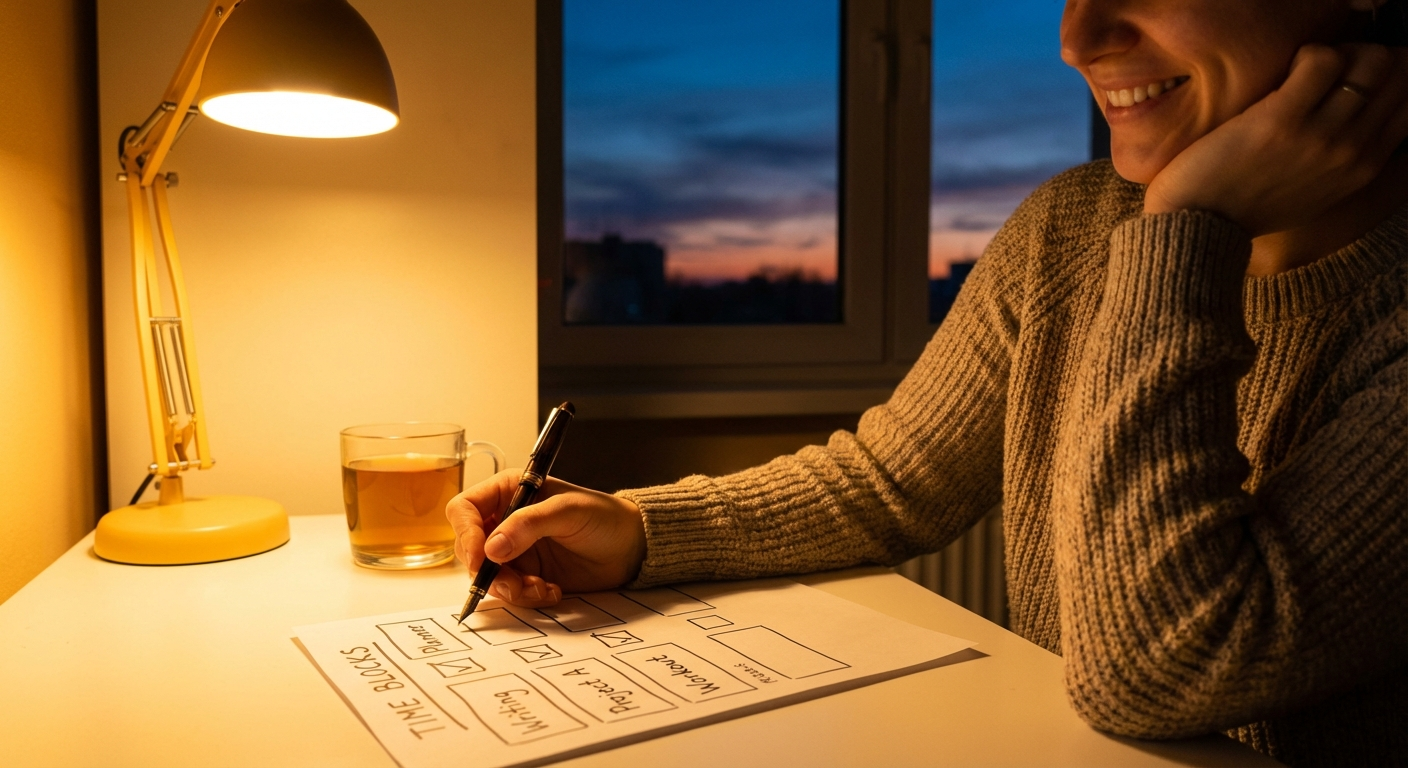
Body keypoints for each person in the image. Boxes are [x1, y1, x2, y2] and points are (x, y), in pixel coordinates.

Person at [449, 1, 1408, 765]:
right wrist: (640, 532)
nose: (1078, 36)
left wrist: (1188, 228)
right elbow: (889, 481)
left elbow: (1162, 667)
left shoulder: (1288, 277)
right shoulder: (1070, 228)